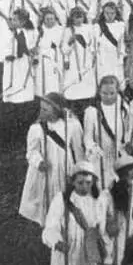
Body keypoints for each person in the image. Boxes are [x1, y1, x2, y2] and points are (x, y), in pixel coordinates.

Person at [19, 92, 85, 226]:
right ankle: (48, 224)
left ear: (56, 110)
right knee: (46, 195)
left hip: (64, 166)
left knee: (64, 194)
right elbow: (31, 152)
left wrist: (81, 170)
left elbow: (78, 150)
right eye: (41, 108)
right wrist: (38, 162)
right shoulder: (36, 128)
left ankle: (65, 221)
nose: (41, 112)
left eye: (45, 109)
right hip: (46, 169)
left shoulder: (71, 125)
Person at [42, 160, 107, 265]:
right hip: (68, 250)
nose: (84, 187)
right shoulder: (61, 200)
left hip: (89, 252)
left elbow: (101, 227)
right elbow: (50, 227)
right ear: (72, 182)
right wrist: (57, 242)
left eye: (88, 182)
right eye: (80, 183)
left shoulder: (97, 201)